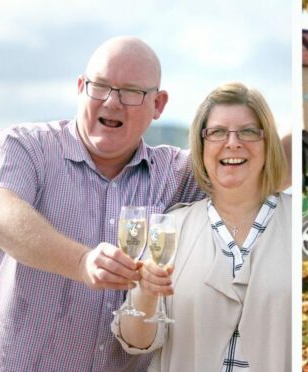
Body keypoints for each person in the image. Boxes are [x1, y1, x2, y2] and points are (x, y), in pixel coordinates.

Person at [0, 36, 204, 371]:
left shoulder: (175, 174)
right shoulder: (24, 146)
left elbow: (263, 164)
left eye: (131, 92)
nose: (112, 102)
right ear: (80, 87)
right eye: (100, 86)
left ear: (158, 104)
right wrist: (81, 262)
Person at [112, 82, 291, 371]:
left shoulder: (299, 221)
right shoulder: (172, 228)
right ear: (201, 144)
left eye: (248, 131)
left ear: (267, 142)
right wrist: (145, 292)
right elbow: (136, 340)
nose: (232, 143)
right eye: (218, 132)